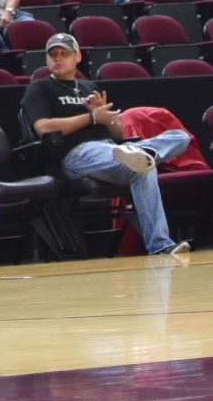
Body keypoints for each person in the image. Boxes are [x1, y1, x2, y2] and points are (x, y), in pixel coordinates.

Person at [22, 32, 192, 255]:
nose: (57, 59)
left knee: (179, 138)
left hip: (111, 148)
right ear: (46, 60)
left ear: (78, 57)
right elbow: (43, 127)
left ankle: (160, 246)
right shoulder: (40, 88)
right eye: (53, 54)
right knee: (138, 162)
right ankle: (143, 154)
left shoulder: (88, 87)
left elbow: (118, 133)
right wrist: (92, 118)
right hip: (76, 155)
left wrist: (109, 118)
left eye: (64, 53)